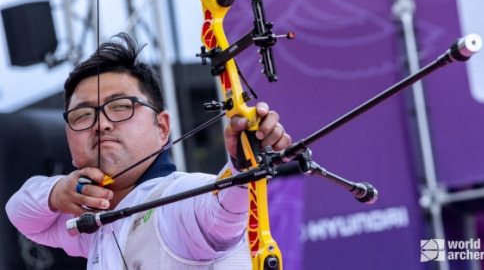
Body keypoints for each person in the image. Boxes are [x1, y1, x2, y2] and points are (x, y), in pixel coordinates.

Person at [6, 32, 292, 269]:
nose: (101, 124)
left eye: (120, 106)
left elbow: (221, 211)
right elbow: (20, 213)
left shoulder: (179, 200)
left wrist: (242, 166)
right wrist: (57, 193)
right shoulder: (93, 225)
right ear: (69, 138)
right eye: (82, 115)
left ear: (162, 127)